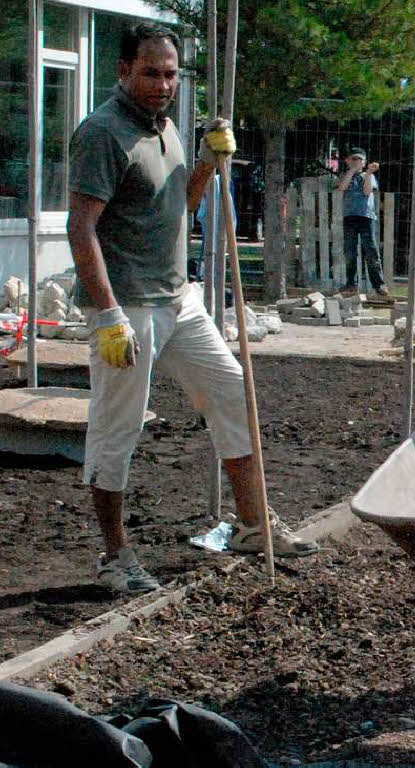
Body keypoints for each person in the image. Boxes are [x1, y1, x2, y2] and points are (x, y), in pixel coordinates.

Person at [67, 23, 318, 595]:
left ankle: (254, 526)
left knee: (232, 390)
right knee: (118, 426)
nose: (162, 84)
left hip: (178, 300)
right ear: (123, 70)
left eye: (171, 74)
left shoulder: (167, 130)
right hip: (128, 306)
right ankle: (115, 558)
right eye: (151, 72)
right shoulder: (103, 133)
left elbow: (175, 206)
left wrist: (204, 160)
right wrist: (107, 314)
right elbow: (80, 228)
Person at [338, 147, 390, 299]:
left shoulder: (369, 176)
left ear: (364, 162)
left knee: (371, 251)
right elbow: (342, 187)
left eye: (358, 159)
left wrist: (367, 173)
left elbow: (367, 191)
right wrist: (351, 171)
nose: (355, 162)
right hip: (349, 217)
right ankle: (351, 284)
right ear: (348, 161)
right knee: (350, 252)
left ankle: (379, 285)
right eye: (353, 159)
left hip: (366, 217)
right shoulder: (345, 175)